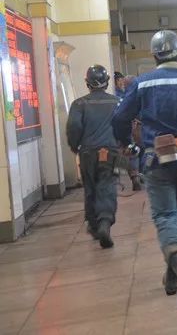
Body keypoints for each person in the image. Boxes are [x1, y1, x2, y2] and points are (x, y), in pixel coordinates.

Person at [112, 30, 177, 311]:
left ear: (154, 56)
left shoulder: (142, 83)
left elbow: (120, 117)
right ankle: (175, 273)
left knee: (166, 216)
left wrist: (127, 143)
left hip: (157, 158)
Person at [66, 65, 121, 249]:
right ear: (107, 82)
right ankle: (105, 221)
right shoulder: (117, 102)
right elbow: (124, 124)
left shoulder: (79, 104)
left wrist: (75, 146)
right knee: (107, 185)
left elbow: (74, 126)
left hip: (87, 152)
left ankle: (94, 225)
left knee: (90, 187)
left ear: (87, 83)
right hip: (109, 151)